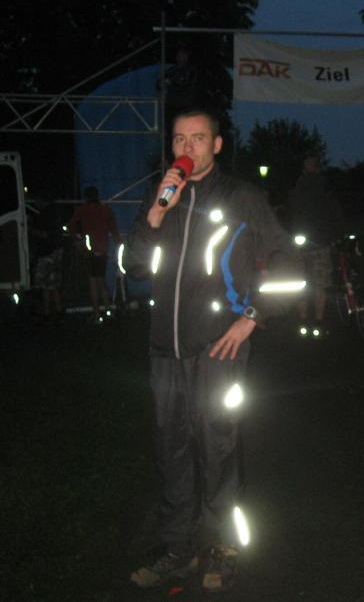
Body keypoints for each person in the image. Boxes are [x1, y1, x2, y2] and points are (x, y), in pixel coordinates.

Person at [124, 109, 303, 592]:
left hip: (218, 350)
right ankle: (178, 549)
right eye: (179, 139)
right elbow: (132, 266)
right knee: (171, 450)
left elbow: (290, 264)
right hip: (165, 350)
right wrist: (157, 212)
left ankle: (224, 546)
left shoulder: (243, 198)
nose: (187, 148)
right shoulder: (161, 195)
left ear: (217, 145)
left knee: (218, 446)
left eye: (198, 138)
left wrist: (252, 318)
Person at [287, 154, 344, 337]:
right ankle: (319, 320)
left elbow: (289, 215)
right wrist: (337, 236)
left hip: (300, 243)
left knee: (301, 282)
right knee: (320, 284)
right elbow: (336, 216)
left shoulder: (296, 190)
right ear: (319, 169)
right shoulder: (326, 189)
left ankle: (303, 319)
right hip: (321, 242)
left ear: (304, 170)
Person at [68, 185, 121, 323]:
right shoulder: (105, 209)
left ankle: (97, 314)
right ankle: (109, 311)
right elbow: (114, 229)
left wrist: (77, 239)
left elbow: (71, 225)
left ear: (86, 197)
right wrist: (118, 245)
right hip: (103, 249)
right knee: (101, 281)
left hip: (89, 250)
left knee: (92, 282)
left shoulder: (83, 209)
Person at [30, 198, 65, 324]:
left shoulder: (43, 216)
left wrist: (33, 231)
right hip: (56, 252)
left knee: (44, 286)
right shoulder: (56, 214)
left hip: (46, 254)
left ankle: (46, 313)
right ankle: (58, 312)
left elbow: (45, 235)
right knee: (53, 285)